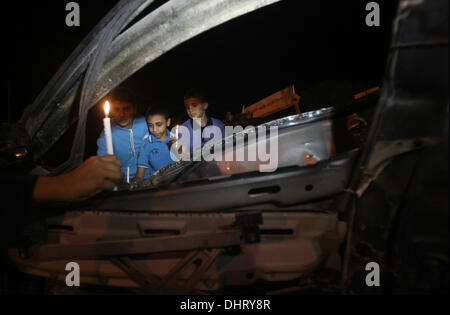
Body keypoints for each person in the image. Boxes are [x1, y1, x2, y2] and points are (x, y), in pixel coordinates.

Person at [97, 87, 151, 181]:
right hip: (121, 181)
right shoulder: (108, 132)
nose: (121, 114)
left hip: (150, 177)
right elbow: (103, 161)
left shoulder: (145, 123)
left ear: (134, 109)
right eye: (116, 109)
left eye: (126, 109)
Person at [134, 107, 176, 181]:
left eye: (159, 124)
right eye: (150, 125)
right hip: (159, 183)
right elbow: (140, 176)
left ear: (168, 122)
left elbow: (187, 163)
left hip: (180, 180)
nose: (154, 129)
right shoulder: (146, 145)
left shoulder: (177, 139)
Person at [181, 88, 225, 153]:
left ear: (205, 105)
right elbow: (183, 156)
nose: (190, 109)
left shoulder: (218, 125)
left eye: (194, 105)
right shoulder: (184, 128)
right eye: (187, 107)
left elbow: (225, 148)